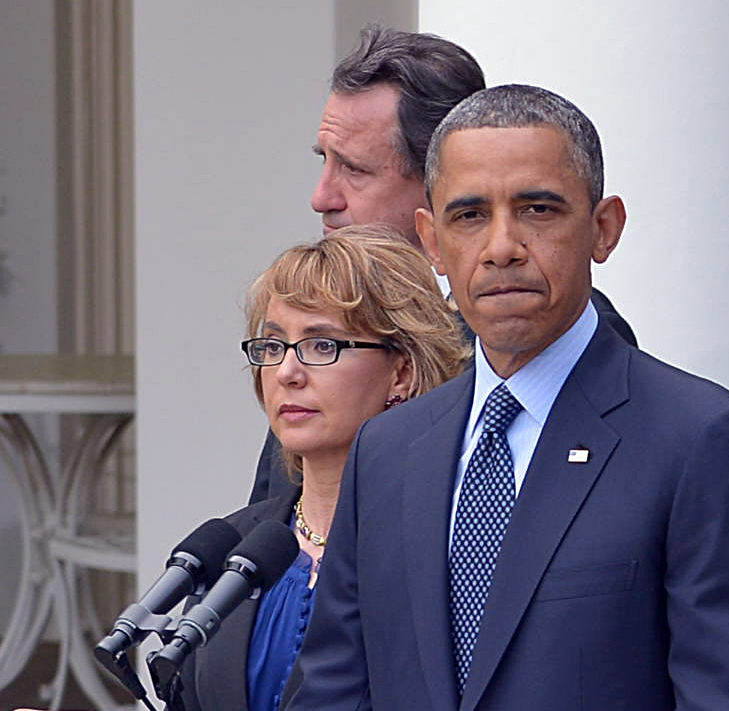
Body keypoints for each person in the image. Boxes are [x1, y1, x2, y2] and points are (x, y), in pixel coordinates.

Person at [285, 85, 729, 710]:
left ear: (603, 229)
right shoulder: (387, 450)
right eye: (469, 215)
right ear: (432, 242)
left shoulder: (701, 442)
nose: (502, 246)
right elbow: (334, 693)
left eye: (537, 210)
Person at [249, 26, 637, 506]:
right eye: (324, 162)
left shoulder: (550, 326)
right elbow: (276, 524)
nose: (321, 198)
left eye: (354, 169)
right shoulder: (307, 338)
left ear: (440, 178)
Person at [178, 225, 469, 710]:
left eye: (321, 345)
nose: (287, 372)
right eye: (273, 346)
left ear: (402, 371)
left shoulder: (446, 552)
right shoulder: (234, 543)